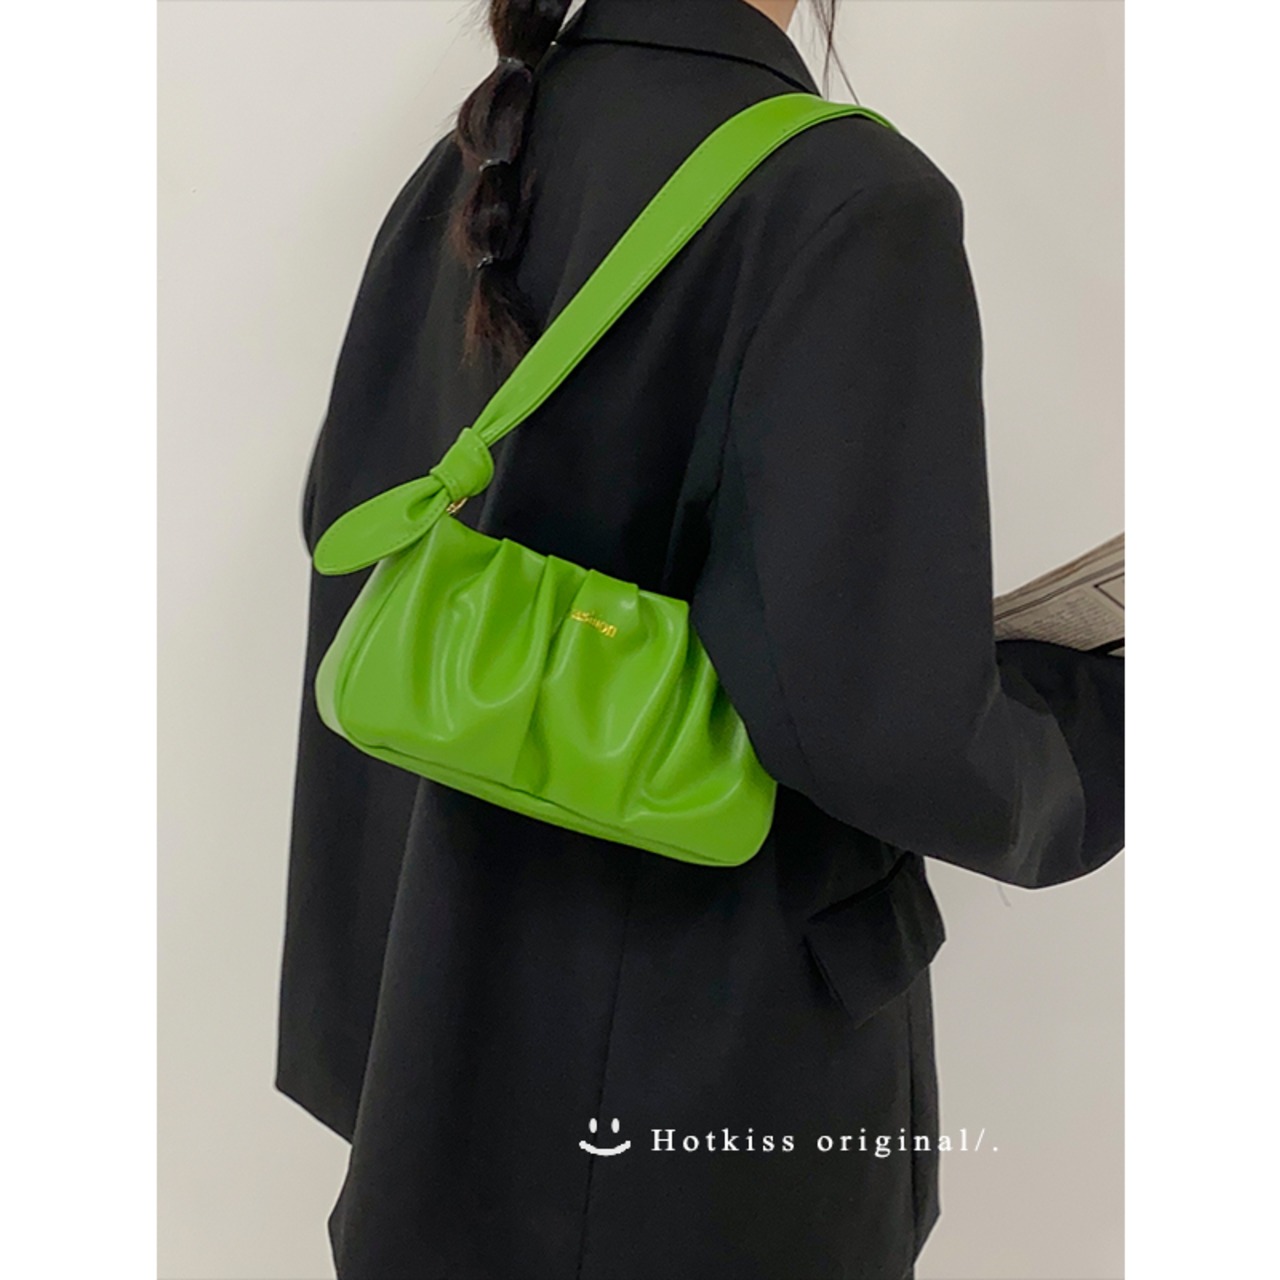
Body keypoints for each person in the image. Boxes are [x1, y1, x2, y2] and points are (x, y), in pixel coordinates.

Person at [276, 1, 1125, 1277]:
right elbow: (877, 723)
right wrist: (1107, 725)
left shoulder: (478, 153)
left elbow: (353, 531)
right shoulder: (847, 201)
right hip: (700, 1120)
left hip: (434, 1070)